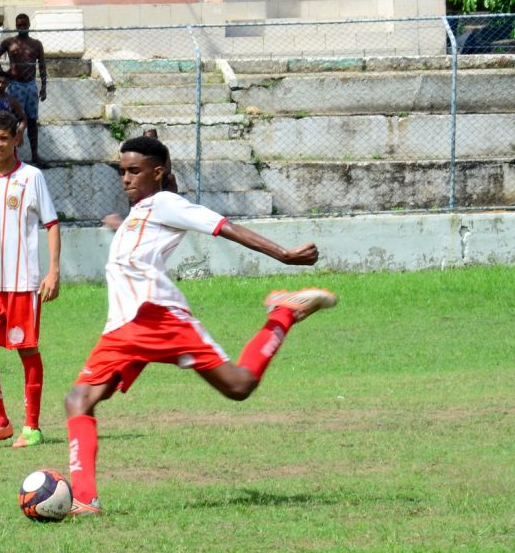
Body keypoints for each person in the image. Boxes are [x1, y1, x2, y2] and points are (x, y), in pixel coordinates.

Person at [62, 135, 336, 515]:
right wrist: (118, 223)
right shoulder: (143, 209)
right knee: (80, 399)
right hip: (122, 327)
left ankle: (283, 314)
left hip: (157, 318)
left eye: (134, 171)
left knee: (239, 386)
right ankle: (85, 500)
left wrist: (284, 254)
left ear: (158, 174)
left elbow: (223, 226)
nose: (125, 179)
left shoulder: (166, 203)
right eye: (122, 172)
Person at [0, 110, 61, 449]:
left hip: (23, 282)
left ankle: (31, 427)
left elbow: (51, 223)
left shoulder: (31, 177)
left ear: (16, 138)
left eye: (3, 138)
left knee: (27, 349)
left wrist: (53, 270)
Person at [0, 13, 47, 165]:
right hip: (15, 85)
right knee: (13, 120)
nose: (22, 27)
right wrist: (3, 74)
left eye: (24, 25)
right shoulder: (9, 42)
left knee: (32, 120)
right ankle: (13, 156)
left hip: (30, 86)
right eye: (19, 25)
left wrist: (44, 87)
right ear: (16, 26)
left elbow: (42, 66)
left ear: (29, 25)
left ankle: (35, 155)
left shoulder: (36, 44)